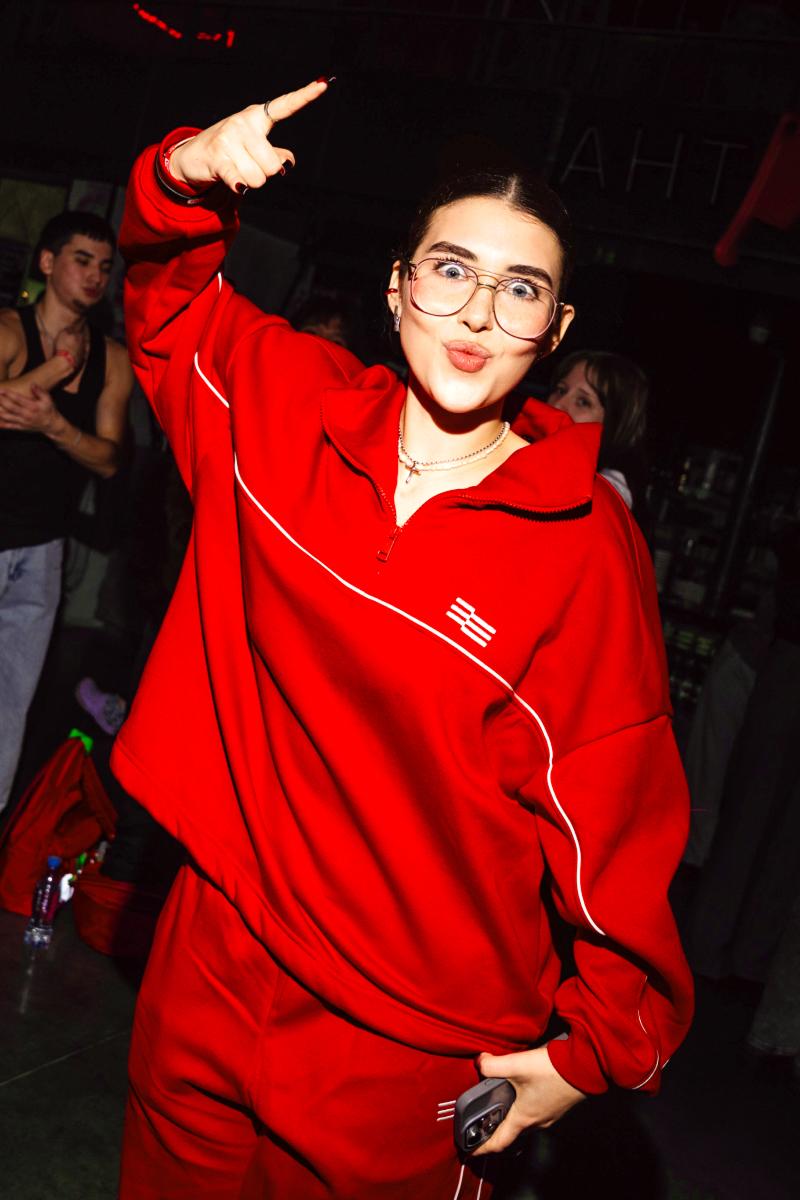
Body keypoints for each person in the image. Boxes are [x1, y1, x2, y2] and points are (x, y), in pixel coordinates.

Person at [114, 80, 693, 1199]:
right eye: (450, 270)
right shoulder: (283, 406)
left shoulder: (583, 545)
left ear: (554, 329)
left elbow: (613, 807)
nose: (476, 315)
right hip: (211, 950)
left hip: (408, 1033)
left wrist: (599, 1045)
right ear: (396, 287)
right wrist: (183, 172)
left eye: (519, 289)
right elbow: (168, 308)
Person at [0, 211, 134, 812]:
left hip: (43, 547)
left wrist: (53, 423)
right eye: (82, 260)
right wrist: (56, 369)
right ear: (48, 263)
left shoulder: (112, 359)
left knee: (12, 700)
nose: (95, 276)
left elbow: (108, 459)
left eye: (105, 266)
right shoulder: (9, 331)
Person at [546, 350, 649, 521]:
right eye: (561, 390)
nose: (558, 404)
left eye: (583, 402)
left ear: (614, 421)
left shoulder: (609, 491)